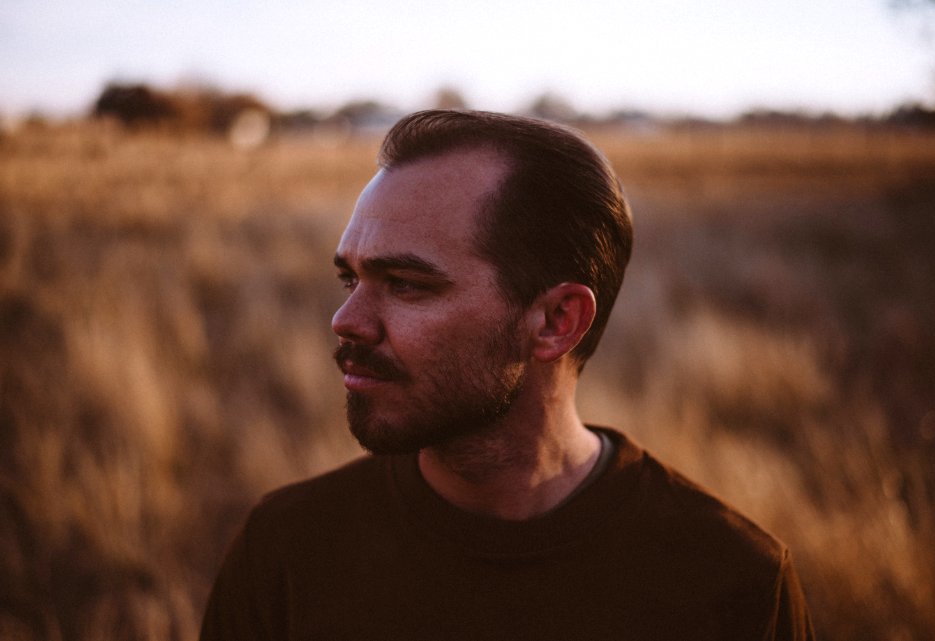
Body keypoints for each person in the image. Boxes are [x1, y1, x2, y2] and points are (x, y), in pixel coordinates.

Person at [200, 110, 815, 640]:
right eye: (350, 279)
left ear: (555, 321)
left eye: (407, 285)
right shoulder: (286, 552)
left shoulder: (734, 585)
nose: (346, 320)